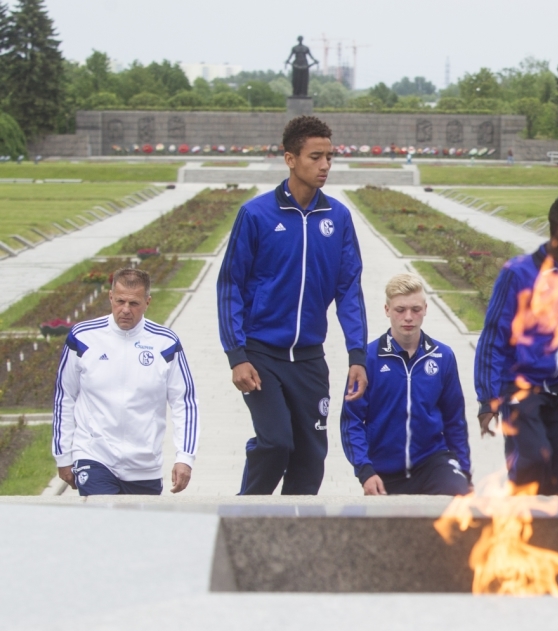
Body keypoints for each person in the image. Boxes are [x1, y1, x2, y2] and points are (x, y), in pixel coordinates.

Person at [217, 115, 368, 496]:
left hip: (309, 359)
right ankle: (246, 514)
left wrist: (357, 355)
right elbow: (230, 285)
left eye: (329, 157)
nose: (325, 165)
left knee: (310, 459)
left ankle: (294, 528)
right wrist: (236, 356)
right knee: (275, 443)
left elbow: (349, 289)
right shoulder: (256, 215)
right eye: (315, 157)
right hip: (261, 355)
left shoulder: (338, 217)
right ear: (290, 159)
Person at [475, 192, 558, 495]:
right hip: (523, 387)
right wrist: (488, 398)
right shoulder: (518, 273)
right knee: (533, 460)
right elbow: (493, 336)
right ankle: (520, 518)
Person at [52, 268, 198, 495]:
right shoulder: (82, 337)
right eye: (120, 301)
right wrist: (63, 455)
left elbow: (185, 403)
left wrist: (185, 457)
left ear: (147, 302)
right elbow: (64, 396)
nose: (126, 310)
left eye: (134, 303)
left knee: (135, 520)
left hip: (144, 466)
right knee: (104, 516)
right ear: (111, 297)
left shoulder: (166, 343)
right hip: (94, 456)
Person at [341, 274, 471, 495]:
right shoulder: (367, 359)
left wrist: (465, 472)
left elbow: (454, 420)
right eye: (400, 310)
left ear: (425, 309)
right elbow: (351, 420)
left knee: (459, 498)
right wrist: (364, 471)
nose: (408, 317)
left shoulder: (443, 356)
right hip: (384, 470)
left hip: (431, 462)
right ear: (387, 310)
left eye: (415, 309)